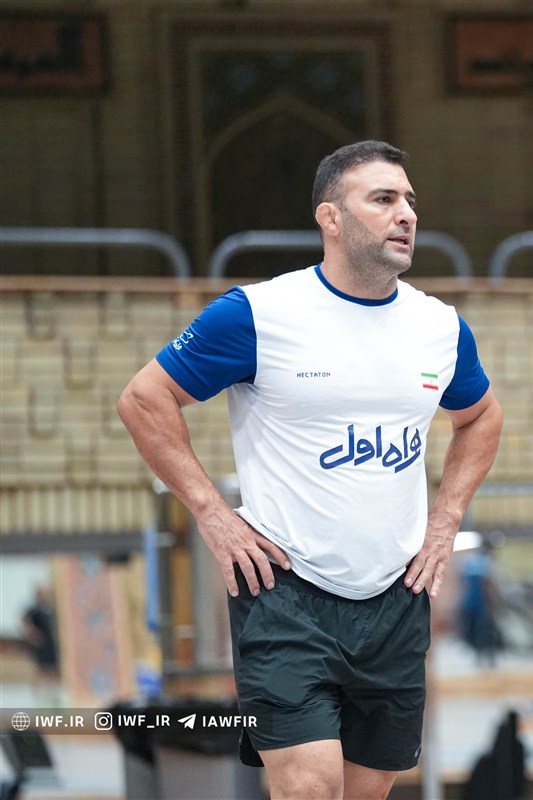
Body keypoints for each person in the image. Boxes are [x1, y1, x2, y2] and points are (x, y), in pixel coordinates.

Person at [117, 140, 503, 800]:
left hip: (396, 597)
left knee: (366, 791)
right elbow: (144, 399)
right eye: (383, 199)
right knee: (310, 789)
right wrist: (213, 515)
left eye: (410, 200)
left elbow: (482, 417)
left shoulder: (439, 326)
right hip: (284, 592)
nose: (406, 214)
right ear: (331, 218)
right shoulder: (258, 314)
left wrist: (445, 522)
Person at [458, 539, 503, 668]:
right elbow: (488, 585)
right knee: (487, 632)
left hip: (469, 600)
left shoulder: (470, 561)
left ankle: (479, 656)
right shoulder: (487, 563)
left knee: (475, 631)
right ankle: (489, 658)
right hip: (483, 603)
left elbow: (463, 582)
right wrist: (494, 603)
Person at [20, 585, 60, 704]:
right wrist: (33, 636)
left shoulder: (49, 609)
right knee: (41, 669)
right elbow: (25, 623)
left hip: (51, 645)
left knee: (53, 669)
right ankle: (38, 696)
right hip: (41, 645)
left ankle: (52, 694)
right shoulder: (34, 609)